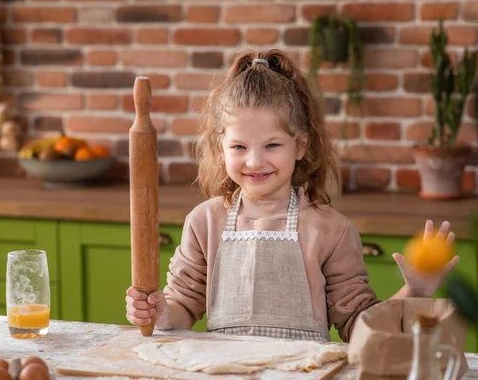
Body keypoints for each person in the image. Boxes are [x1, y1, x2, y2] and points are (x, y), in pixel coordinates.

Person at [125, 49, 459, 343]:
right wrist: (159, 312)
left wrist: (413, 292)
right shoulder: (204, 221)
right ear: (219, 148)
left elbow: (361, 326)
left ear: (299, 146)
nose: (255, 161)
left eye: (272, 145)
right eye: (239, 146)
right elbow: (183, 305)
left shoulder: (331, 230)